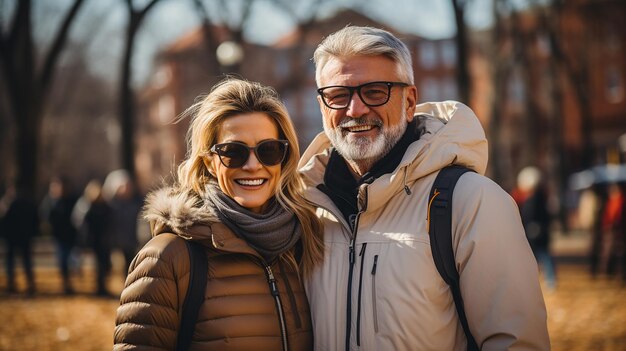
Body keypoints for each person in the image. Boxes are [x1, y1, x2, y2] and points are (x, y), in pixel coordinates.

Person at [297, 26, 550, 350]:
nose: (355, 110)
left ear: (410, 101)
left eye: (375, 91)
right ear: (322, 106)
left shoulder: (472, 202)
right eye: (338, 95)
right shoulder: (304, 210)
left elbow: (516, 342)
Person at [114, 78, 324, 350]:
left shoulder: (307, 243)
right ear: (210, 163)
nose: (253, 165)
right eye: (233, 152)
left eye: (268, 150)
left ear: (284, 158)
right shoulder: (167, 258)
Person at [512, 166, 557, 291]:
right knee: (536, 258)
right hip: (535, 234)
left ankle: (550, 281)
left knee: (544, 257)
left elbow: (540, 216)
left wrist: (537, 227)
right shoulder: (530, 198)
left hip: (538, 234)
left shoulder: (538, 198)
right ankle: (537, 281)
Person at [72, 180, 113, 296]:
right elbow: (80, 223)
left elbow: (110, 223)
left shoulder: (106, 206)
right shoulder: (86, 206)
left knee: (104, 265)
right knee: (91, 265)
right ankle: (95, 287)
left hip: (103, 240)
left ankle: (102, 286)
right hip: (92, 241)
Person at [40, 176, 79, 294]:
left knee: (71, 261)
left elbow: (77, 217)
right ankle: (65, 283)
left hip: (71, 236)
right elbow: (45, 216)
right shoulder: (51, 201)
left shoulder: (72, 200)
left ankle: (70, 281)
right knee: (62, 261)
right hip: (59, 237)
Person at [102, 169, 142, 276]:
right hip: (113, 240)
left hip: (130, 240)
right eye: (123, 186)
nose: (126, 189)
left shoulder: (136, 203)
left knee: (130, 265)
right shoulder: (109, 205)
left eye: (128, 186)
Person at [1, 186, 38, 295]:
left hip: (23, 237)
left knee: (25, 261)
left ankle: (29, 283)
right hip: (11, 238)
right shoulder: (6, 204)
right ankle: (11, 282)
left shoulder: (25, 203)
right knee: (11, 262)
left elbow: (34, 219)